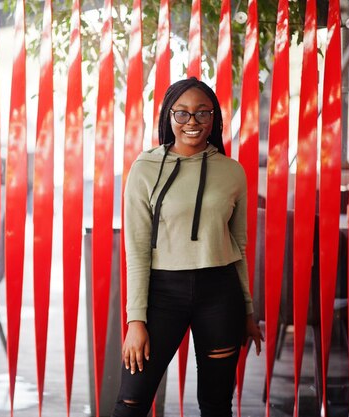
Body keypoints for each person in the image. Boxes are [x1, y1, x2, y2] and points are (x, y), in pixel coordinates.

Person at [113, 77, 264, 417]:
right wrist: (135, 320)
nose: (192, 122)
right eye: (181, 114)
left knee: (215, 405)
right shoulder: (144, 168)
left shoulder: (232, 172)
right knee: (131, 402)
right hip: (162, 295)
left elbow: (238, 245)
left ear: (215, 119)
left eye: (202, 113)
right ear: (168, 117)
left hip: (220, 295)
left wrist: (248, 311)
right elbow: (136, 249)